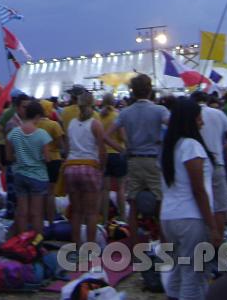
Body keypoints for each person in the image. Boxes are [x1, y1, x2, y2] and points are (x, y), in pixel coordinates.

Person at [160, 98, 221, 300]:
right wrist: (212, 226)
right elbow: (198, 190)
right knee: (193, 276)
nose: (202, 122)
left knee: (179, 269)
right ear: (191, 120)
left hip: (170, 216)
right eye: (199, 118)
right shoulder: (191, 146)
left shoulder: (171, 147)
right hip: (190, 217)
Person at [106, 74, 169, 245]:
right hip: (153, 160)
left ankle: (134, 247)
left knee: (133, 205)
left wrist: (123, 150)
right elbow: (172, 126)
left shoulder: (125, 113)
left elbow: (106, 136)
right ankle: (164, 246)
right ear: (150, 90)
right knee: (159, 204)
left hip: (133, 160)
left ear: (132, 92)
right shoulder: (159, 110)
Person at [191, 90, 227, 234]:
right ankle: (218, 239)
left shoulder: (190, 116)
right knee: (220, 206)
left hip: (196, 165)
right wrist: (221, 148)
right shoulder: (218, 113)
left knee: (199, 203)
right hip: (217, 163)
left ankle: (203, 238)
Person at [63, 91, 106, 250]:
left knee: (76, 211)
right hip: (89, 166)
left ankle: (75, 245)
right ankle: (90, 248)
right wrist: (101, 168)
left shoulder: (72, 123)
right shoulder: (95, 124)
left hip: (71, 167)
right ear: (93, 104)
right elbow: (102, 149)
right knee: (92, 213)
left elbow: (68, 146)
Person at [6, 100, 51, 235]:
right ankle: (36, 243)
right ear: (37, 116)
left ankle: (22, 242)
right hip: (38, 176)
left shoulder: (14, 132)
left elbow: (8, 156)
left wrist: (21, 157)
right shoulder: (42, 134)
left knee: (22, 212)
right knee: (36, 213)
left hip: (20, 174)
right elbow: (47, 158)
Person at [99, 93, 127, 223]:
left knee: (105, 189)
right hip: (117, 153)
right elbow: (121, 136)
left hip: (104, 154)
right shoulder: (117, 116)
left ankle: (104, 219)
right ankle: (122, 217)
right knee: (121, 188)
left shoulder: (99, 116)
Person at [38, 100, 65, 223]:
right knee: (50, 192)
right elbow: (60, 144)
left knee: (40, 190)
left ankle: (40, 216)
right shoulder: (54, 125)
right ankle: (50, 219)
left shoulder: (34, 124)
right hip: (54, 159)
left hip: (38, 159)